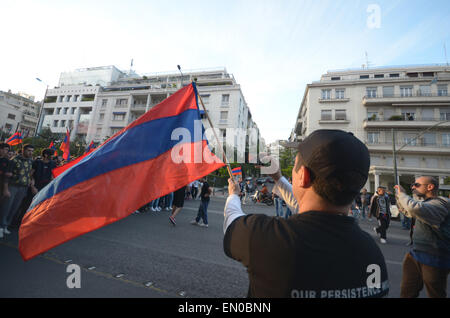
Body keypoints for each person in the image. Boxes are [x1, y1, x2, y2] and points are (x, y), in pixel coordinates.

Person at [223, 130, 389, 298]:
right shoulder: (372, 253)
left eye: (296, 166)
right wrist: (279, 179)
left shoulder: (268, 238)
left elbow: (231, 221)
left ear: (302, 175)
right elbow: (309, 207)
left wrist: (233, 194)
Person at [395, 176, 450, 298]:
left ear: (430, 187)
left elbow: (413, 208)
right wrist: (399, 196)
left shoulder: (441, 203)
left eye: (417, 185)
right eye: (412, 185)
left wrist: (403, 195)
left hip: (435, 257)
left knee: (436, 294)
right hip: (415, 254)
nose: (413, 187)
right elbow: (407, 211)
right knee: (407, 292)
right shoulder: (425, 204)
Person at [0, 144, 36, 237]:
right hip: (12, 186)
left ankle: (5, 226)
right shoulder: (14, 160)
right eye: (29, 150)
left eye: (32, 151)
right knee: (6, 207)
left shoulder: (30, 161)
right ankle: (1, 226)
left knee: (14, 208)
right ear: (23, 150)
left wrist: (31, 180)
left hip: (23, 188)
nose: (30, 153)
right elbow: (7, 176)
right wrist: (6, 189)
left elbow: (29, 174)